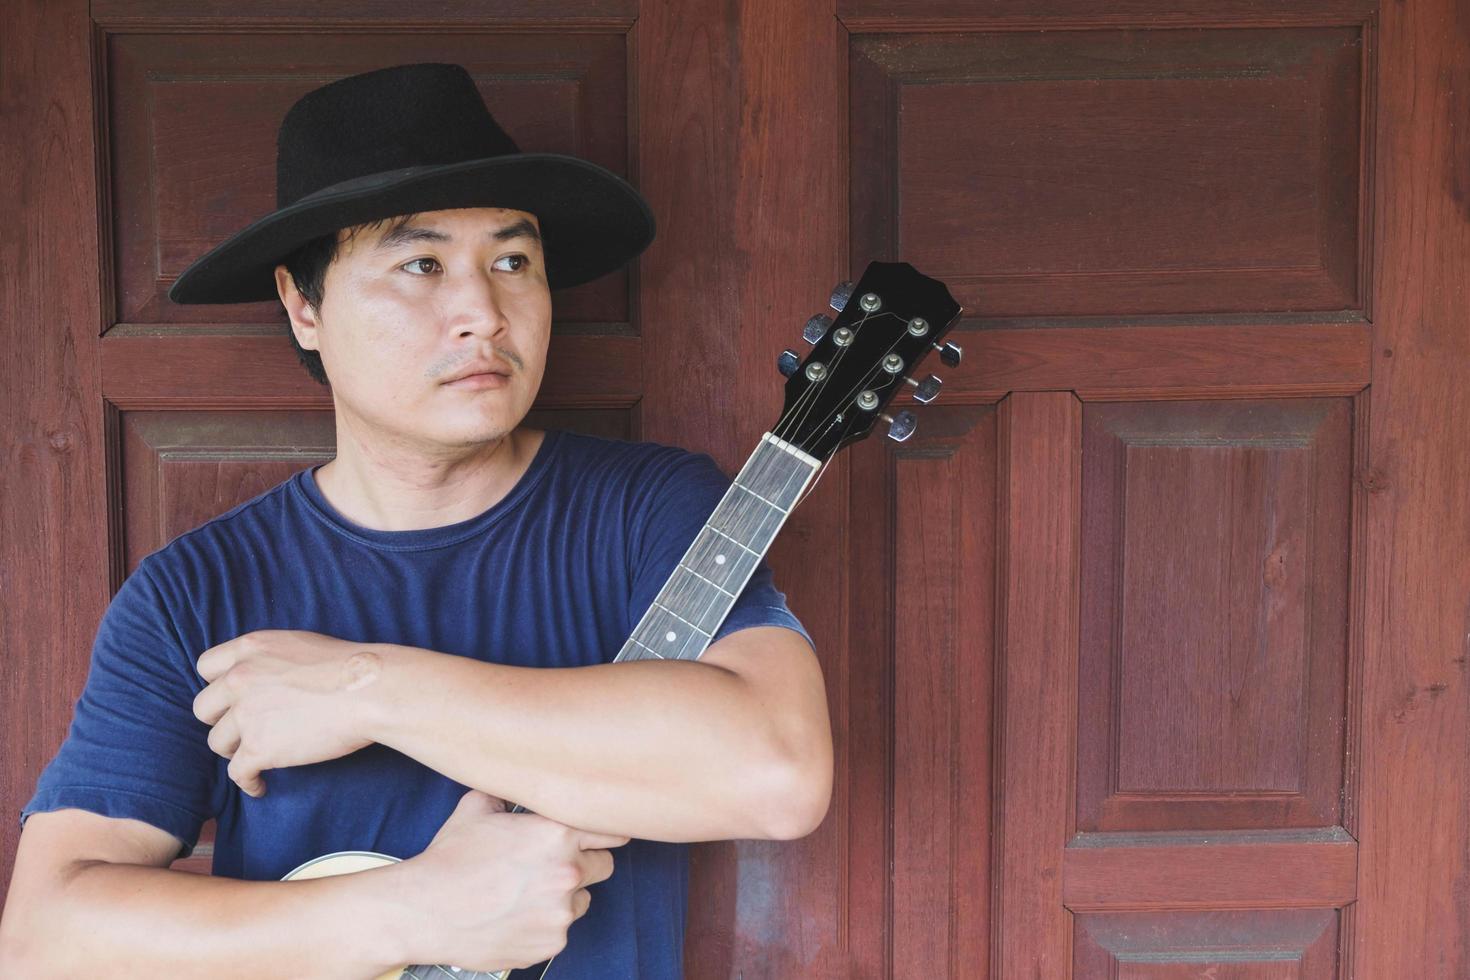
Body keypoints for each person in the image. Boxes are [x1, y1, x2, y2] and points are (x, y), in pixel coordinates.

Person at [0, 63, 832, 977]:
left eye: (513, 261)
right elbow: (46, 941)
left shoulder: (651, 510)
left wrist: (366, 689)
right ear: (302, 305)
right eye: (421, 264)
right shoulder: (195, 592)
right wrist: (409, 915)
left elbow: (778, 775)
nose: (484, 312)